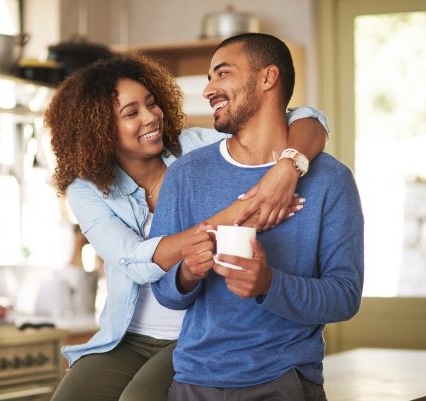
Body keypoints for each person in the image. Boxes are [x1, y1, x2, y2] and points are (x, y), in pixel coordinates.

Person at [45, 54, 329, 401]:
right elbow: (134, 260)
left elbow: (307, 118)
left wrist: (288, 167)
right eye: (131, 113)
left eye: (151, 104)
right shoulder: (87, 189)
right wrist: (241, 210)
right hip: (126, 336)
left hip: (196, 334)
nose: (151, 117)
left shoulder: (197, 147)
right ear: (99, 130)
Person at [150, 33, 364, 401]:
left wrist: (268, 283)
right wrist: (187, 273)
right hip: (193, 382)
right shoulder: (186, 174)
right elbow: (165, 292)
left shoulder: (331, 180)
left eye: (222, 74)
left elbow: (344, 297)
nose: (209, 90)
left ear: (267, 78)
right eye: (208, 79)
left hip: (285, 381)